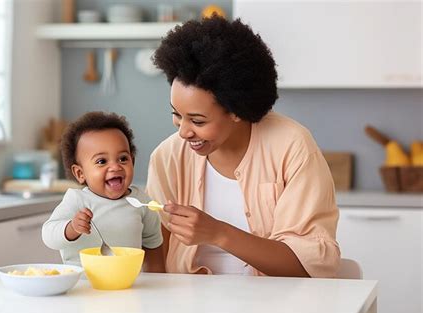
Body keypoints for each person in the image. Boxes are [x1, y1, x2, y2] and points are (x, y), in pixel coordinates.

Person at [146, 16, 340, 277]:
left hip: (276, 306)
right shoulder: (167, 157)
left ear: (236, 110)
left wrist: (218, 233)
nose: (183, 132)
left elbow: (309, 266)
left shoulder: (292, 146)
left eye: (197, 120)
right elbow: (156, 248)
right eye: (177, 115)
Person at [42, 111, 164, 272]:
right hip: (83, 285)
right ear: (80, 173)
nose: (115, 166)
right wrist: (72, 228)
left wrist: (158, 282)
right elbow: (48, 236)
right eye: (101, 161)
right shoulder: (77, 200)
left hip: (127, 285)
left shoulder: (142, 202)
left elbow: (153, 245)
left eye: (123, 158)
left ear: (132, 161)